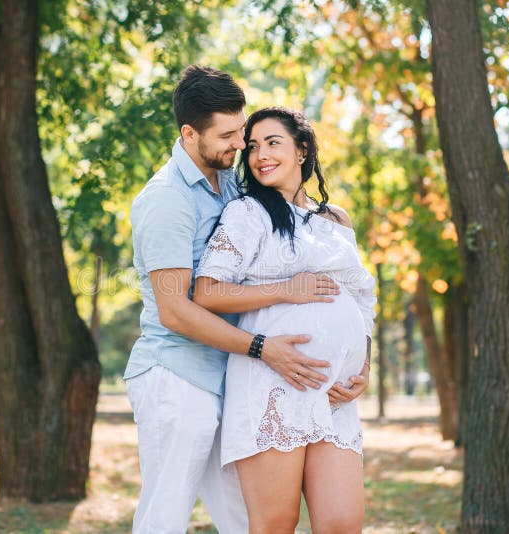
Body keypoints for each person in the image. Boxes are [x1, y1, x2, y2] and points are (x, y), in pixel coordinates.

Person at [125, 66, 369, 533]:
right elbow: (177, 308)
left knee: (244, 520)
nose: (242, 147)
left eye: (247, 135)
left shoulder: (230, 186)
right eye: (232, 136)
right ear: (189, 133)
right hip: (178, 374)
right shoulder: (166, 201)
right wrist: (262, 344)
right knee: (166, 515)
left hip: (230, 376)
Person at [193, 107, 376, 533]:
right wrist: (286, 290)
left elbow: (363, 299)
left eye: (273, 143)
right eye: (253, 146)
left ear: (302, 150)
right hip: (272, 383)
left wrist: (364, 365)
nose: (259, 155)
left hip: (334, 396)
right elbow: (207, 291)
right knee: (276, 523)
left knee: (342, 524)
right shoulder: (247, 214)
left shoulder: (337, 220)